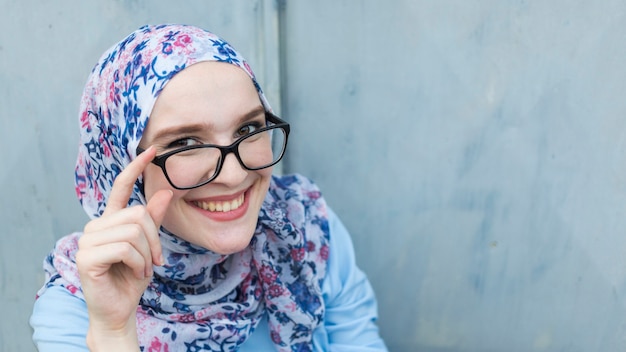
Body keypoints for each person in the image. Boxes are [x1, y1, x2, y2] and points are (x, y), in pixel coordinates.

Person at [30, 24, 387, 352]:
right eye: (185, 143)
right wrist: (113, 333)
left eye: (247, 130)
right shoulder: (78, 310)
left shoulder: (301, 227)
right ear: (122, 164)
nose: (233, 176)